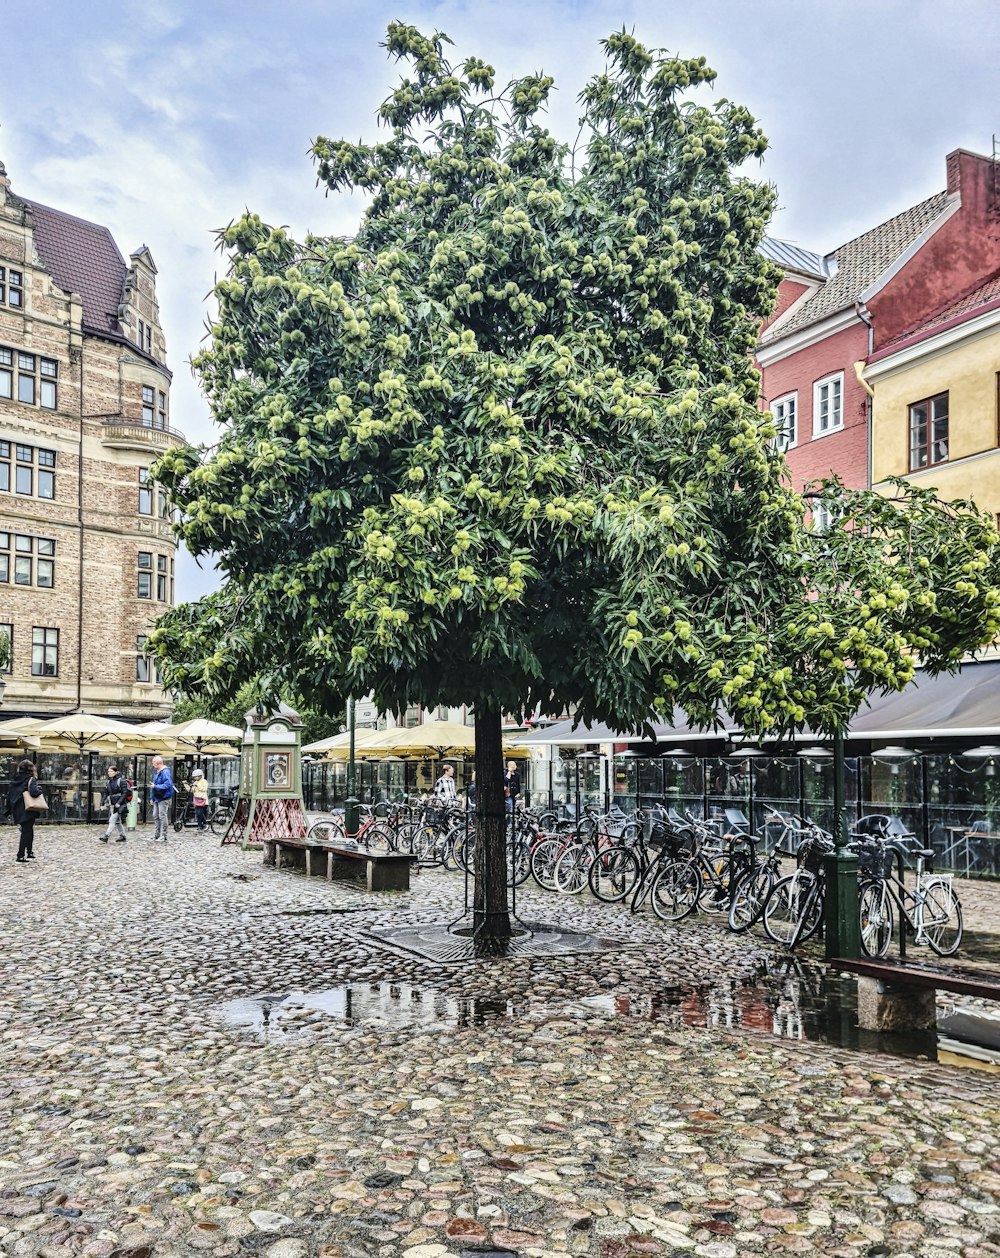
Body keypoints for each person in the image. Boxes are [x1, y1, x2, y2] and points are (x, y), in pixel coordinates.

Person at [5, 759, 44, 863]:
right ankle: (20, 855)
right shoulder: (30, 779)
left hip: (17, 809)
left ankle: (29, 852)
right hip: (28, 808)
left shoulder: (14, 780)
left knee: (27, 830)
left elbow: (9, 795)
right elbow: (34, 792)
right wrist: (40, 789)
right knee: (27, 831)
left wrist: (8, 810)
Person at [99, 765, 129, 843]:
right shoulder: (109, 782)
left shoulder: (121, 781)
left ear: (115, 772)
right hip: (112, 803)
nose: (110, 773)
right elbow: (106, 793)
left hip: (119, 803)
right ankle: (122, 836)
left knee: (112, 820)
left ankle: (106, 836)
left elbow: (125, 793)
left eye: (111, 771)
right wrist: (102, 803)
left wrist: (119, 802)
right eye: (109, 771)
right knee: (117, 821)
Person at [148, 755, 174, 842]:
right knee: (156, 816)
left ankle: (164, 835)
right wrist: (152, 797)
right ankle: (157, 835)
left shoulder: (165, 772)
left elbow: (168, 785)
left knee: (162, 816)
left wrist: (156, 787)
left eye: (153, 763)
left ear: (158, 763)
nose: (152, 765)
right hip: (157, 797)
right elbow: (153, 785)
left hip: (163, 797)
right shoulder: (157, 772)